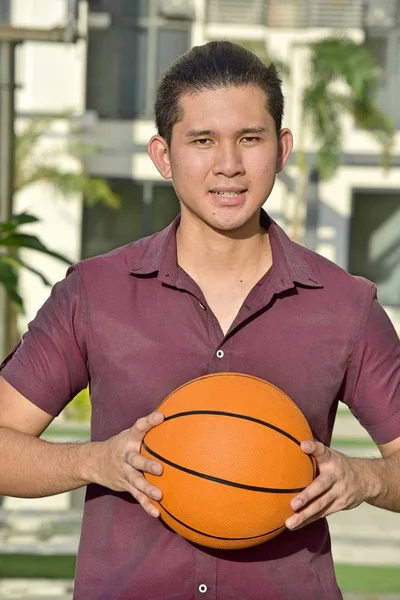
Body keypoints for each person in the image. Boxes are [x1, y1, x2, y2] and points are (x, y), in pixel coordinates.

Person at [0, 40, 399, 600]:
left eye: (250, 139)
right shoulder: (94, 293)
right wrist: (97, 461)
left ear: (282, 149)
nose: (228, 164)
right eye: (203, 140)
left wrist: (366, 478)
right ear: (163, 155)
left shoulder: (345, 305)